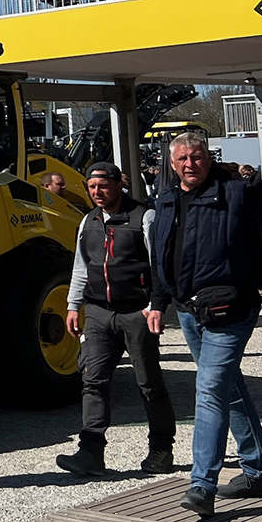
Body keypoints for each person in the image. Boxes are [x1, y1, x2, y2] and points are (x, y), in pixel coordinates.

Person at [146, 131, 262, 519]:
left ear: (209, 159)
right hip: (189, 312)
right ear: (171, 165)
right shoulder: (166, 200)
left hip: (232, 309)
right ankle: (257, 473)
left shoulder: (239, 195)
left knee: (208, 390)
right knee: (229, 388)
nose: (190, 164)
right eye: (182, 160)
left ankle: (202, 485)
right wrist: (158, 302)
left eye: (197, 157)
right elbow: (160, 255)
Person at [57, 162, 176, 476]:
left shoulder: (144, 217)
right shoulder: (88, 221)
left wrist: (156, 306)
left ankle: (162, 450)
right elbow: (81, 266)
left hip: (137, 313)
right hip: (98, 313)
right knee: (92, 381)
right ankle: (90, 452)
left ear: (119, 185)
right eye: (92, 187)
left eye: (103, 186)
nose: (97, 193)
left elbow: (158, 266)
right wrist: (73, 306)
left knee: (149, 384)